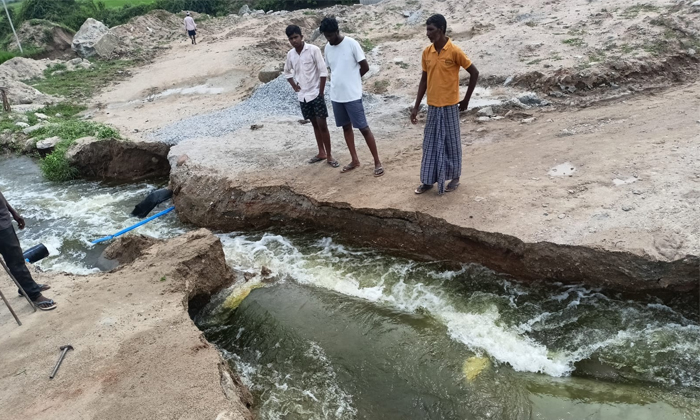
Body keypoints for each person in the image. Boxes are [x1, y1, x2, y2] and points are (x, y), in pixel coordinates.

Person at [410, 14, 479, 195]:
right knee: (430, 144)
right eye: (427, 29)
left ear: (440, 30)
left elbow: (474, 73)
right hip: (433, 106)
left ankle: (455, 177)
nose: (427, 33)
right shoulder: (427, 53)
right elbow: (424, 81)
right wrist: (416, 106)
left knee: (451, 143)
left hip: (450, 106)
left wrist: (466, 100)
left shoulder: (454, 51)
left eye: (430, 30)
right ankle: (427, 180)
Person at [320, 17, 384, 177]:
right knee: (346, 127)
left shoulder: (351, 44)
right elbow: (332, 69)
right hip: (336, 96)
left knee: (363, 128)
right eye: (326, 36)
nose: (329, 39)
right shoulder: (327, 48)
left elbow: (365, 66)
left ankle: (377, 161)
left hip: (352, 95)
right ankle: (354, 160)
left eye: (330, 35)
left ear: (337, 31)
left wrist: (354, 81)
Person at [283, 25, 338, 168]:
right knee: (314, 124)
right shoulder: (291, 55)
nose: (294, 40)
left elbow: (323, 72)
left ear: (301, 37)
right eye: (291, 39)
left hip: (315, 93)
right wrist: (295, 86)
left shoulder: (313, 50)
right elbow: (287, 72)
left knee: (322, 124)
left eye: (296, 37)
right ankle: (321, 152)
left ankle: (330, 155)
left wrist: (320, 92)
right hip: (303, 96)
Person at [0, 190, 56, 311]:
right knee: (15, 261)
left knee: (17, 258)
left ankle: (26, 287)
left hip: (4, 221)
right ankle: (34, 295)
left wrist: (13, 212)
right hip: (1, 228)